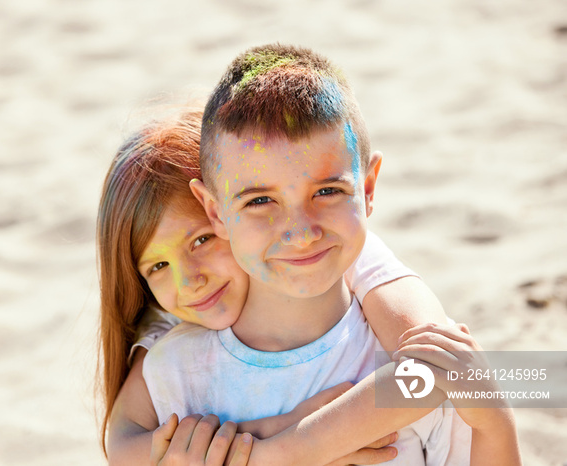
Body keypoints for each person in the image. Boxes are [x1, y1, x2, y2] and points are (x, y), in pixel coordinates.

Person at [141, 44, 520, 465]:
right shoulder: (176, 374)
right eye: (260, 201)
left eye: (327, 192)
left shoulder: (408, 351)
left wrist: (495, 422)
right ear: (215, 211)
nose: (301, 233)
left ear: (369, 188)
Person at [96, 110, 467, 464]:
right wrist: (273, 441)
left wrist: (301, 445)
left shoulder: (330, 254)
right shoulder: (165, 324)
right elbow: (124, 447)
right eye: (158, 265)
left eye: (202, 241)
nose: (188, 280)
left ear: (228, 218)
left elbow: (434, 366)